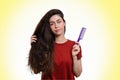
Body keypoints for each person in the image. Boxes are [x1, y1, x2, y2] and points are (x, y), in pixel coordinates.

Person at [28, 9, 82, 80]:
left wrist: (74, 56)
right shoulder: (44, 46)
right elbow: (36, 70)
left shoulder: (74, 46)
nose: (56, 26)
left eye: (59, 22)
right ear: (49, 27)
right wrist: (34, 48)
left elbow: (78, 74)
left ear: (64, 23)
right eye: (52, 24)